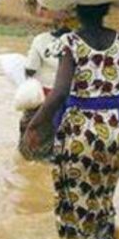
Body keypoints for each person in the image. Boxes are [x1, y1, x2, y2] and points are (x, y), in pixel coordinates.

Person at [25, 4, 119, 239]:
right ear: (106, 8)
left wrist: (34, 126)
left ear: (75, 10)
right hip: (114, 131)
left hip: (80, 130)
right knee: (103, 197)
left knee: (74, 199)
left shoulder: (71, 42)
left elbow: (59, 93)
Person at [18, 10, 74, 162]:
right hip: (69, 102)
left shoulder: (41, 40)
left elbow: (30, 69)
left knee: (29, 150)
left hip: (42, 101)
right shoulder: (79, 43)